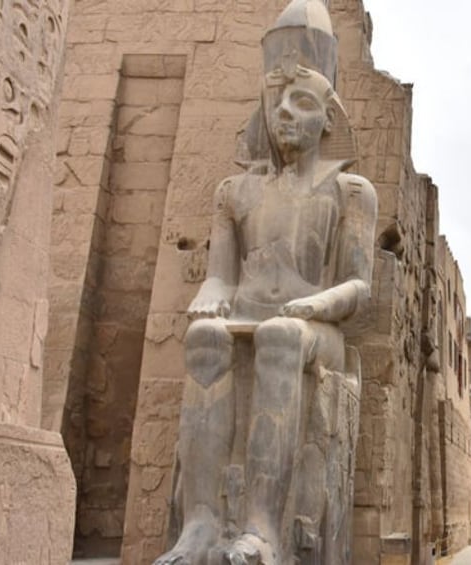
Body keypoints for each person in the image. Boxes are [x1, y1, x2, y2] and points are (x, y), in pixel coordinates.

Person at [154, 1, 376, 564]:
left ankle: (261, 526)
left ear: (328, 118)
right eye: (275, 100)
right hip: (249, 311)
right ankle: (201, 522)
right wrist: (212, 299)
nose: (284, 114)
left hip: (315, 326)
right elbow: (219, 278)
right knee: (204, 341)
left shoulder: (349, 193)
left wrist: (313, 304)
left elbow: (357, 286)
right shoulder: (235, 192)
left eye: (301, 102)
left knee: (279, 336)